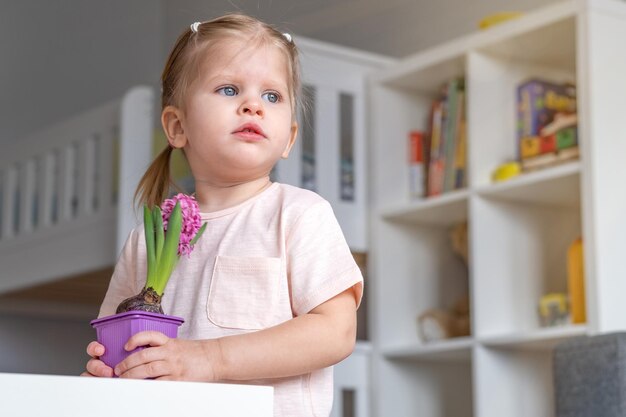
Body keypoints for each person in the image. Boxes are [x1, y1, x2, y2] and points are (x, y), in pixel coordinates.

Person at [82, 13, 363, 417]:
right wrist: (103, 376)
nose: (253, 105)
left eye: (272, 96)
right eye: (229, 89)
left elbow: (336, 332)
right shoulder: (145, 241)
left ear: (290, 138)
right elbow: (114, 343)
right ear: (177, 126)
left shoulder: (301, 215)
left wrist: (210, 359)